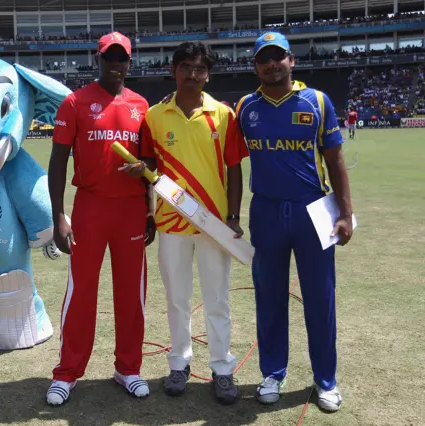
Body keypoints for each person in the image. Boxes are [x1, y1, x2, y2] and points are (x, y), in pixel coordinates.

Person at [124, 41, 248, 405]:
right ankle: (179, 363)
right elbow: (148, 168)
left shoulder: (223, 115)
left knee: (217, 300)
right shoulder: (154, 116)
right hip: (171, 222)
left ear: (207, 74)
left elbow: (234, 168)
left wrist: (234, 216)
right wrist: (149, 210)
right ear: (173, 70)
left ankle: (222, 369)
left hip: (212, 225)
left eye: (199, 69)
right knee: (177, 299)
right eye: (185, 68)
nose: (192, 75)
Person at [235, 32, 354, 412]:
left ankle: (326, 380)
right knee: (269, 297)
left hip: (312, 211)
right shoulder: (245, 107)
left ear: (291, 61)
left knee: (320, 299)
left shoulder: (317, 101)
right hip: (266, 211)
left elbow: (335, 160)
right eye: (263, 59)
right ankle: (272, 373)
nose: (271, 65)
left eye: (278, 57)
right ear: (255, 66)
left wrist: (346, 214)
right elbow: (227, 160)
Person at [45, 31, 156, 406]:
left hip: (130, 210)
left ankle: (128, 368)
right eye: (109, 58)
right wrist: (59, 214)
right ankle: (67, 372)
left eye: (122, 58)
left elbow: (151, 164)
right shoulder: (75, 102)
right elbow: (58, 161)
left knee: (131, 294)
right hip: (90, 207)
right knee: (81, 293)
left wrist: (150, 208)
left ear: (129, 62)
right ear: (99, 60)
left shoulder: (142, 105)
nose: (116, 64)